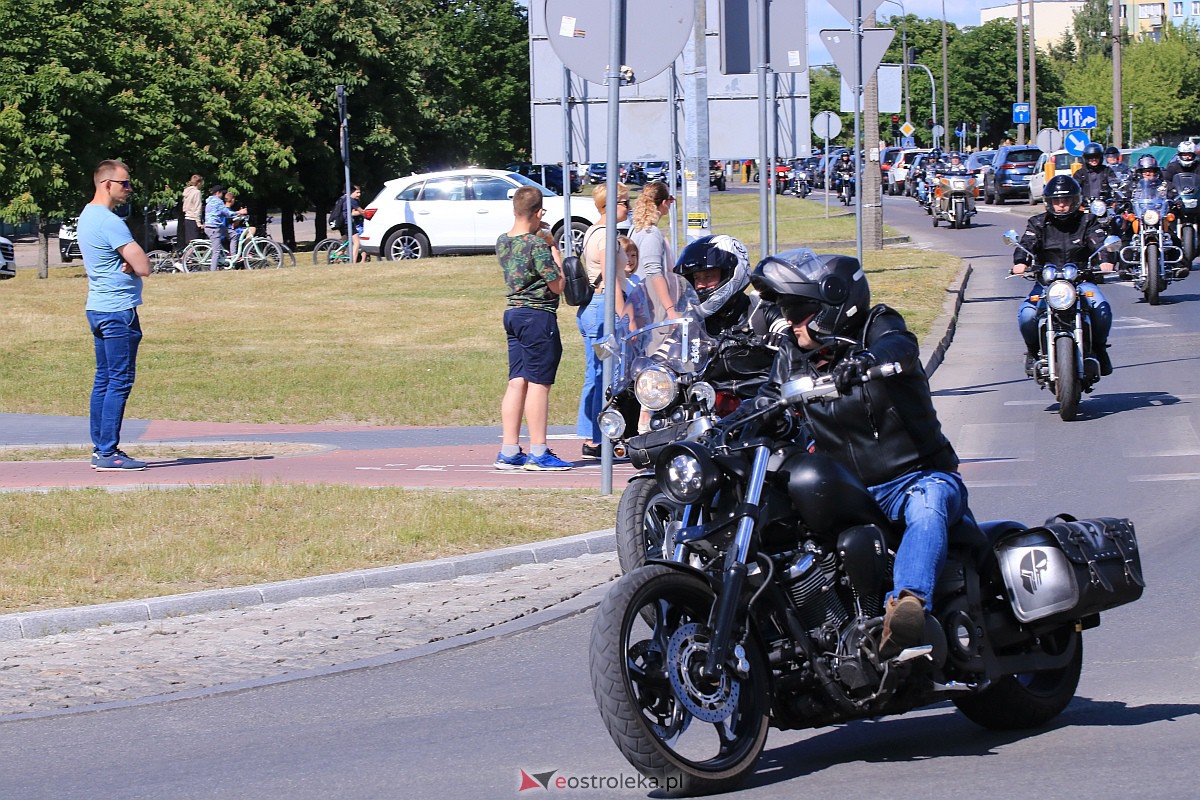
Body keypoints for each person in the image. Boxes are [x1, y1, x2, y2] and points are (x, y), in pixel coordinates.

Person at [749, 248, 967, 657]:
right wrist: (748, 415)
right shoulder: (793, 357)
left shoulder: (878, 326)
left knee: (928, 502)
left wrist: (866, 363)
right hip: (852, 494)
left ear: (833, 306)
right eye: (785, 311)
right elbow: (767, 395)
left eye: (797, 311)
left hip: (917, 477)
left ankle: (908, 608)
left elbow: (900, 346)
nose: (789, 323)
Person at [495, 185, 573, 472]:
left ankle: (509, 450)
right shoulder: (537, 245)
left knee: (517, 380)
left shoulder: (502, 241)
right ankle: (539, 452)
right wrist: (554, 249)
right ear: (539, 212)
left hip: (514, 313)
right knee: (539, 383)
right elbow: (558, 284)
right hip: (538, 316)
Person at [80, 160, 152, 471]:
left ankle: (101, 449)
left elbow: (127, 261)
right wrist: (131, 262)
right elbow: (145, 266)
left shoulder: (86, 216)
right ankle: (108, 453)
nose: (129, 189)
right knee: (119, 381)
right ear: (107, 183)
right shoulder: (109, 221)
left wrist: (127, 261)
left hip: (97, 307)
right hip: (117, 311)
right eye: (125, 183)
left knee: (104, 379)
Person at [1011, 175, 1114, 376]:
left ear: (1074, 201)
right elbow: (1027, 244)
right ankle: (1032, 352)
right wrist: (1021, 262)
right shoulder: (1038, 223)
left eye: (1065, 201)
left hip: (1081, 282)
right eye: (1056, 201)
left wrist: (1105, 258)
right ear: (1049, 202)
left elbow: (1099, 241)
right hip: (1046, 284)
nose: (1061, 206)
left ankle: (1100, 349)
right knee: (1027, 314)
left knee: (1102, 309)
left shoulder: (1087, 221)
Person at [673, 234, 788, 398]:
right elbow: (666, 354)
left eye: (708, 276)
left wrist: (780, 338)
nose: (700, 285)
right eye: (696, 278)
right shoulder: (693, 322)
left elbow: (788, 332)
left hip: (763, 404)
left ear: (732, 272)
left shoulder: (760, 312)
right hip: (707, 408)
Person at [576, 183, 630, 460]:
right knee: (604, 375)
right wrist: (626, 316)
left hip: (595, 308)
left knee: (597, 374)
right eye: (624, 202)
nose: (628, 207)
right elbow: (611, 282)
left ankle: (592, 436)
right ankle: (597, 438)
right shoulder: (606, 236)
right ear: (608, 206)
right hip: (603, 309)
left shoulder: (593, 232)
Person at [629, 181, 675, 308]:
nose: (671, 203)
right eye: (670, 199)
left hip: (641, 297)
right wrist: (670, 309)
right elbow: (654, 274)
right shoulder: (651, 233)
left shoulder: (636, 228)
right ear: (664, 203)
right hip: (651, 301)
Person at [203, 184, 244, 271]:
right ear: (218, 193)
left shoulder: (209, 201)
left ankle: (233, 257)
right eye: (222, 193)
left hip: (215, 226)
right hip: (213, 228)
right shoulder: (217, 201)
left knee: (233, 234)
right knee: (216, 251)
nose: (222, 195)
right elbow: (227, 213)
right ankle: (212, 272)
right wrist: (239, 212)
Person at [181, 174, 203, 245]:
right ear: (199, 183)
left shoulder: (187, 191)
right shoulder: (197, 192)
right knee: (194, 244)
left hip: (187, 218)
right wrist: (199, 223)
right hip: (193, 219)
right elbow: (197, 208)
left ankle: (186, 256)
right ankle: (186, 256)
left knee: (190, 243)